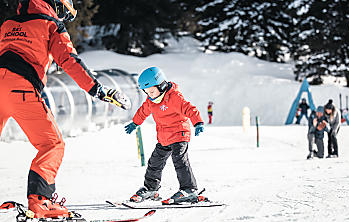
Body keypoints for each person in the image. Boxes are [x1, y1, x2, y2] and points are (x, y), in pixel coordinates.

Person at [0, 0, 130, 219]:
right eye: (62, 12)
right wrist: (97, 90)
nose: (61, 19)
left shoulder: (7, 24)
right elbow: (70, 61)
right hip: (20, 89)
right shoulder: (50, 26)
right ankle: (41, 201)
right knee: (52, 144)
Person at [124, 67, 204, 205]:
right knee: (154, 162)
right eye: (147, 92)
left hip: (179, 134)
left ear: (161, 85)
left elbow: (189, 108)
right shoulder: (151, 101)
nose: (150, 95)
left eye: (152, 91)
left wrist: (198, 122)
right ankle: (150, 189)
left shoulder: (174, 97)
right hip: (164, 137)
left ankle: (189, 189)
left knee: (180, 160)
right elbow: (143, 111)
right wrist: (135, 123)